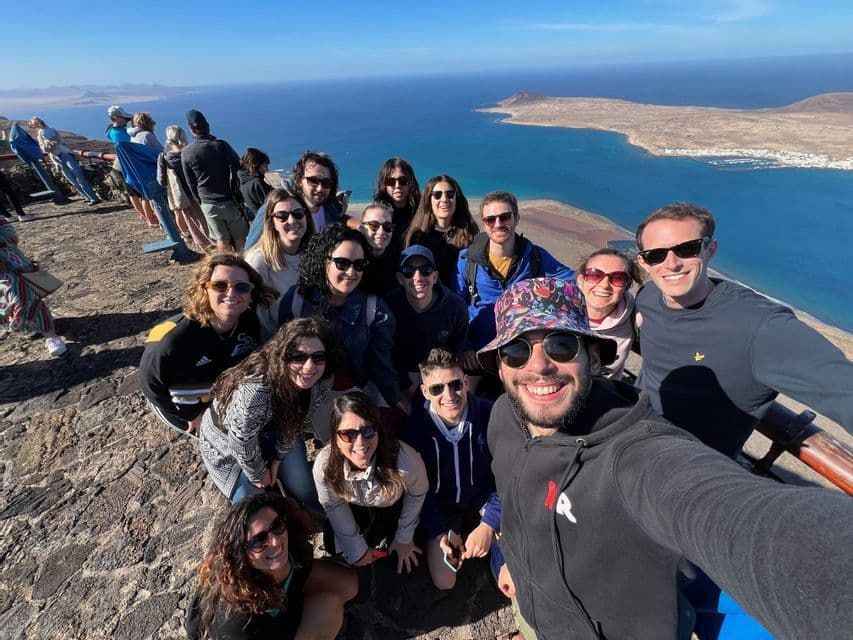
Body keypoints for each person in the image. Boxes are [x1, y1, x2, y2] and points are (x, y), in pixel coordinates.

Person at [479, 276, 852, 640]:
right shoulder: (504, 416)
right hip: (532, 611)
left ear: (592, 358)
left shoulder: (636, 456)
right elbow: (516, 503)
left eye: (561, 346)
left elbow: (737, 515)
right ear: (500, 366)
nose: (538, 366)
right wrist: (515, 559)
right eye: (516, 351)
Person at [634, 202, 853, 458]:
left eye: (687, 249)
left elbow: (845, 391)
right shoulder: (648, 296)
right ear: (644, 262)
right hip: (630, 432)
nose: (671, 264)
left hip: (685, 466)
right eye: (656, 255)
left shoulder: (761, 326)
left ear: (710, 249)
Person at [199, 317, 343, 512]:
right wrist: (258, 473)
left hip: (278, 429)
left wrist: (278, 458)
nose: (309, 366)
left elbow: (297, 420)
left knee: (304, 488)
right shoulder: (256, 390)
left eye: (318, 357)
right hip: (227, 444)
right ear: (282, 356)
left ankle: (321, 519)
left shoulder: (322, 380)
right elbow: (240, 441)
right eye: (298, 357)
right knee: (252, 506)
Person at [185, 493, 358, 640]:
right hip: (264, 627)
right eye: (258, 541)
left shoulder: (290, 539)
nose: (275, 541)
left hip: (282, 596)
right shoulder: (237, 623)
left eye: (276, 525)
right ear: (240, 554)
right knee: (328, 610)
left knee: (348, 584)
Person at [139, 252, 276, 436]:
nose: (231, 293)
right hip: (180, 403)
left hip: (218, 393)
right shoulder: (173, 338)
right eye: (220, 285)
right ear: (204, 289)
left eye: (242, 287)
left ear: (251, 294)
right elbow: (149, 384)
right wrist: (191, 415)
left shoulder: (249, 321)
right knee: (219, 441)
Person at [399, 349, 502, 591]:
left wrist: (489, 524)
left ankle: (501, 564)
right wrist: (439, 532)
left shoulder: (490, 414)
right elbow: (418, 490)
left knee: (512, 569)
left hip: (484, 495)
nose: (449, 395)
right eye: (437, 389)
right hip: (442, 503)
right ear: (425, 392)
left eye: (456, 384)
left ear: (466, 382)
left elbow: (509, 474)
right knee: (444, 580)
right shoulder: (414, 429)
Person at [278, 224, 406, 414]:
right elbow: (282, 356)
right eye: (342, 263)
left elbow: (381, 363)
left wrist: (396, 400)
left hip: (351, 401)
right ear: (323, 261)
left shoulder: (375, 309)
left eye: (359, 264)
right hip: (302, 400)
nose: (351, 272)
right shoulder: (296, 300)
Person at [455, 190, 574, 380]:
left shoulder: (534, 257)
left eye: (504, 217)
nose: (498, 224)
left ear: (516, 218)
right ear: (484, 224)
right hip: (479, 352)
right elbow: (456, 306)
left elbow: (572, 280)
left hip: (520, 351)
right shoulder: (467, 261)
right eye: (490, 220)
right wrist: (464, 346)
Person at [313, 392, 428, 574]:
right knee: (335, 547)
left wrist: (404, 537)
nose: (360, 443)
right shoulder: (324, 466)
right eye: (348, 434)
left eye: (368, 431)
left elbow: (418, 493)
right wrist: (356, 550)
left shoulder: (404, 462)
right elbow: (333, 504)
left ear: (378, 430)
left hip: (391, 505)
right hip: (352, 504)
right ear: (335, 437)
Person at [385, 245, 468, 395]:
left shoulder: (455, 307)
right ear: (400, 278)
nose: (418, 277)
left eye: (426, 270)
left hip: (440, 374)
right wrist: (405, 384)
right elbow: (385, 352)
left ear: (435, 277)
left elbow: (457, 348)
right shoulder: (388, 306)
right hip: (399, 374)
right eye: (409, 271)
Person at [246, 188, 315, 340]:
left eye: (298, 214)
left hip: (308, 336)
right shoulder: (259, 261)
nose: (292, 221)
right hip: (275, 342)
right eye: (282, 216)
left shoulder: (311, 253)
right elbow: (254, 315)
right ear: (272, 223)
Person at [181, 109, 247, 252]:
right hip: (230, 200)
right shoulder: (221, 145)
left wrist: (200, 201)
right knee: (240, 239)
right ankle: (244, 264)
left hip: (208, 203)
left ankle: (226, 266)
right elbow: (238, 166)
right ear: (208, 126)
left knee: (222, 240)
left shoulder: (186, 152)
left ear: (191, 129)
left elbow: (190, 182)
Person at [0, 218, 66, 356]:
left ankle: (50, 335)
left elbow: (10, 233)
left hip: (15, 268)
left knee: (26, 299)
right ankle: (31, 323)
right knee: (9, 305)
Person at [576, 247, 642, 380]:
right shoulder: (559, 311)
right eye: (595, 275)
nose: (604, 285)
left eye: (618, 278)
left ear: (627, 285)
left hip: (605, 391)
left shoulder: (635, 317)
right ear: (580, 280)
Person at [404, 174, 478, 286]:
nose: (444, 199)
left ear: (456, 199)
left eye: (450, 194)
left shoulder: (470, 234)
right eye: (437, 195)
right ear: (428, 200)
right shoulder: (418, 236)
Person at [156, 125, 213, 251]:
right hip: (199, 191)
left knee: (191, 221)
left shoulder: (164, 157)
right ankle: (213, 241)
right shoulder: (190, 152)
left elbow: (161, 181)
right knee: (204, 218)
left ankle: (204, 248)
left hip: (181, 195)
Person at [28, 117, 101, 206]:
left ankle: (93, 198)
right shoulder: (40, 136)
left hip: (65, 154)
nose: (37, 124)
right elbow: (45, 149)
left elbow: (60, 142)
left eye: (36, 123)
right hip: (56, 157)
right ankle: (86, 196)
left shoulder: (52, 131)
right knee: (72, 180)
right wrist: (49, 145)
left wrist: (52, 144)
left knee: (79, 176)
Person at [106, 105, 158, 226]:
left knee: (133, 194)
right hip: (126, 167)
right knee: (141, 194)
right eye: (125, 119)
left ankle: (144, 215)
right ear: (116, 118)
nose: (127, 121)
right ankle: (149, 219)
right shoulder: (121, 135)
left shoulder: (112, 131)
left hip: (120, 166)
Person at [291, 151, 348, 233]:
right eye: (313, 180)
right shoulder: (290, 215)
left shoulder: (331, 208)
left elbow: (340, 216)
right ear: (299, 180)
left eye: (326, 183)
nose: (320, 189)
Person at [372, 157, 420, 246]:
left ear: (410, 183)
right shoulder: (379, 215)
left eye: (403, 180)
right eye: (391, 181)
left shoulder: (422, 210)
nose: (397, 186)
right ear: (384, 185)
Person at [357, 202, 400, 296]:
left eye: (387, 226)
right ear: (362, 228)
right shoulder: (354, 257)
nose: (381, 232)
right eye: (374, 225)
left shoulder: (398, 259)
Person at [238, 147, 273, 217]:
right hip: (267, 219)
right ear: (256, 166)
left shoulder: (243, 181)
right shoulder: (257, 183)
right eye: (265, 166)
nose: (267, 169)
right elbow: (271, 205)